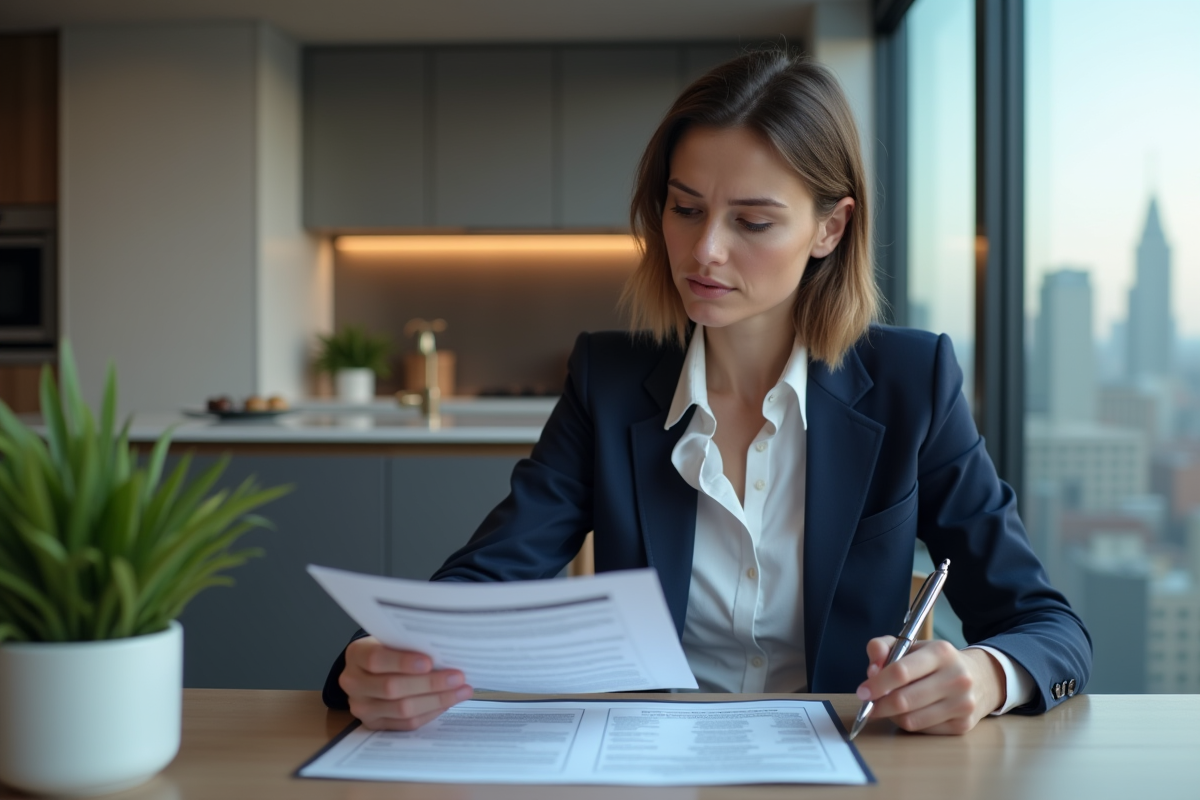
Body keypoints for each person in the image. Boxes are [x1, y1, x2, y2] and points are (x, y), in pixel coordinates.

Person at [323, 49, 1091, 735]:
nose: (704, 250)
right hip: (643, 764)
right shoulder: (610, 381)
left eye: (752, 221)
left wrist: (989, 678)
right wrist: (374, 663)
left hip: (845, 769)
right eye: (684, 209)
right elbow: (483, 585)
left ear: (831, 228)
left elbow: (1045, 625)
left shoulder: (910, 384)